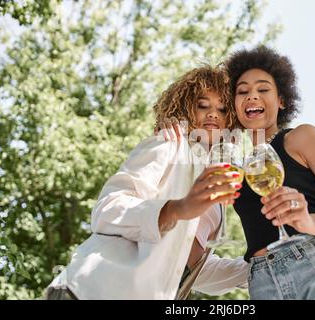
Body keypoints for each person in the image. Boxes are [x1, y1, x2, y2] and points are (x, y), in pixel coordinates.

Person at [44, 65, 249, 300]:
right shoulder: (169, 143)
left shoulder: (213, 180)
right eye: (203, 105)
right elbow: (108, 210)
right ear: (185, 108)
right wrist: (176, 209)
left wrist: (261, 268)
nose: (213, 114)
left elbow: (186, 263)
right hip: (95, 290)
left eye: (222, 109)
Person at [225, 46, 315, 300]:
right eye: (242, 92)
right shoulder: (239, 169)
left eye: (263, 89)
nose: (251, 96)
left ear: (281, 100)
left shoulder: (300, 138)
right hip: (261, 283)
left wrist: (309, 222)